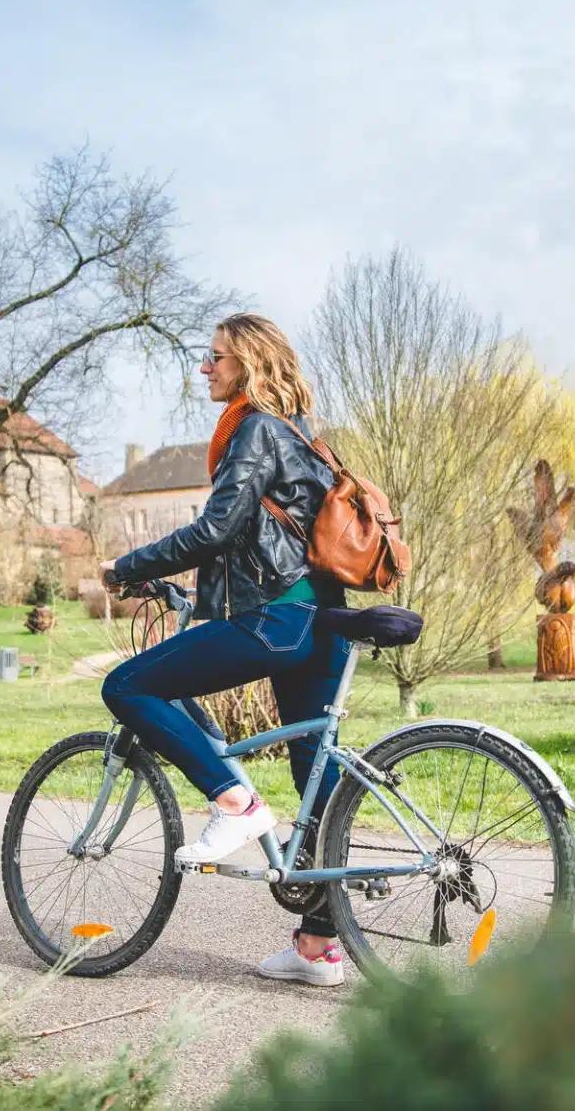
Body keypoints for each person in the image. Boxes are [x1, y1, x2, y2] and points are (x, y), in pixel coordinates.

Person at [98, 312, 352, 987]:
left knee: (127, 686)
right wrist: (193, 591)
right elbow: (258, 540)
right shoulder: (301, 434)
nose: (204, 367)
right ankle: (318, 947)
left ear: (249, 364)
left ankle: (234, 802)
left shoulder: (255, 429)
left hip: (277, 620)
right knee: (316, 778)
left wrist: (128, 566)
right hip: (322, 620)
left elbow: (216, 528)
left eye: (216, 356)